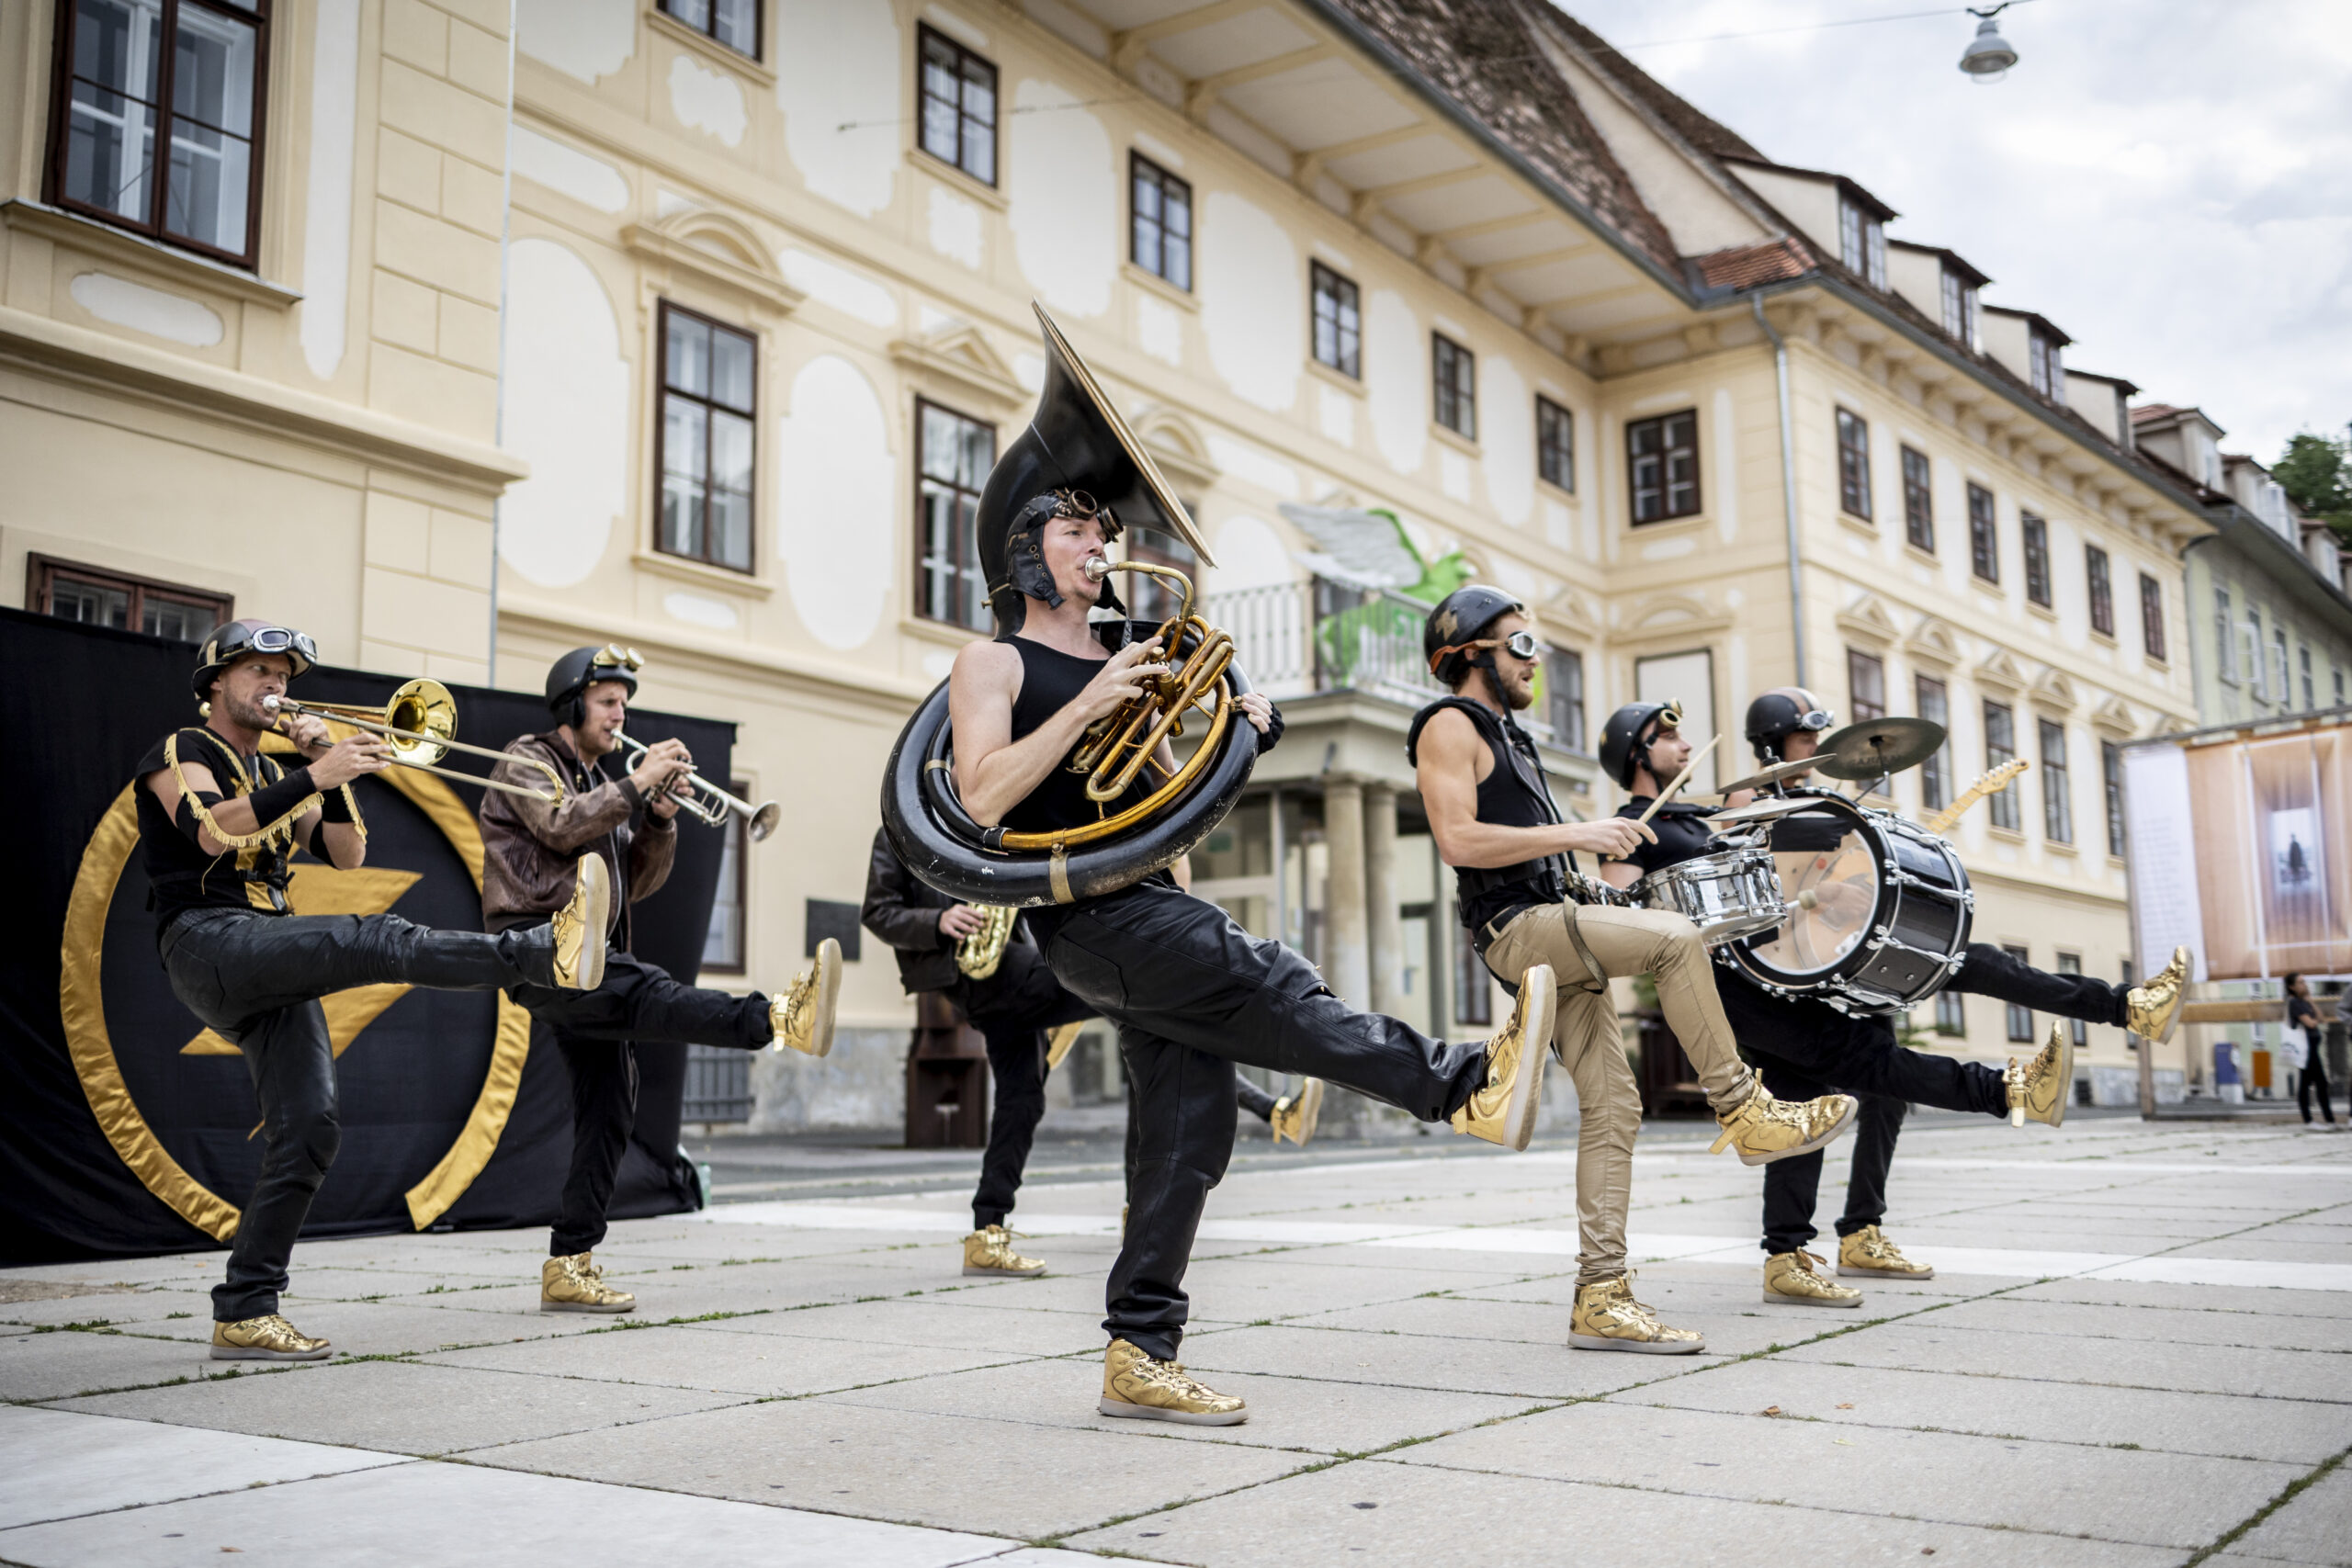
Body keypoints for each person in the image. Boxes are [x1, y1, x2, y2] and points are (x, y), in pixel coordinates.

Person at [949, 489, 1555, 1429]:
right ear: (1028, 552)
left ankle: (1138, 1354)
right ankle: (1460, 1086)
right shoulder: (994, 661)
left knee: (1185, 1137)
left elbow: (1165, 805)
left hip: (1155, 901)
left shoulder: (1123, 657)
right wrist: (1091, 704)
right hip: (1084, 918)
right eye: (1076, 531)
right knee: (1270, 974)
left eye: (1103, 532)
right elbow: (984, 795)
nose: (1099, 545)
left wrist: (1241, 741)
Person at [1600, 689, 2190, 1307]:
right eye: (1670, 736)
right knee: (1870, 1064)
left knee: (1810, 1099)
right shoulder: (1639, 827)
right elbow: (1620, 918)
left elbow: (1788, 881)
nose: (1686, 744)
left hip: (1794, 970)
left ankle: (1793, 1254)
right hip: (1731, 986)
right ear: (1638, 751)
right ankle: (2013, 1089)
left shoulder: (1699, 818)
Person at [141, 621, 608, 1362]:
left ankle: (246, 1309)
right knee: (377, 937)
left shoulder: (272, 771)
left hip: (263, 951)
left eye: (283, 676)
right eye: (259, 671)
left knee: (310, 1126)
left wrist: (325, 766)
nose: (276, 686)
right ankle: (546, 949)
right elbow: (211, 831)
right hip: (206, 938)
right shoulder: (184, 749)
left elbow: (347, 851)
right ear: (216, 681)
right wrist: (316, 775)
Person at [1410, 588, 1858, 1355]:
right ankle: (1744, 1109)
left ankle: (1602, 1295)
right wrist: (1580, 832)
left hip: (1553, 923)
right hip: (1515, 929)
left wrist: (1588, 876)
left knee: (1615, 1106)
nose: (1536, 660)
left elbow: (1536, 852)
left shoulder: (1513, 738)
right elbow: (1457, 840)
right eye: (1521, 645)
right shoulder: (1449, 723)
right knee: (1675, 939)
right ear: (1471, 654)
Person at [481, 645, 841, 1314]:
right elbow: (559, 827)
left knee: (610, 1109)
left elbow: (637, 883)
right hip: (541, 946)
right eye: (607, 702)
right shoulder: (528, 759)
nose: (620, 715)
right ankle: (778, 1016)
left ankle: (568, 1264)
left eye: (624, 704)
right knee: (651, 993)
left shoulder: (601, 780)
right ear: (572, 705)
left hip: (589, 952)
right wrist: (637, 785)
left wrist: (660, 817)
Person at [2288, 974, 2335, 1127]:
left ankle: (2314, 1119)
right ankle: (2322, 1119)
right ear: (2292, 987)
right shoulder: (2294, 1003)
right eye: (2300, 982)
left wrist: (2311, 1002)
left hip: (2312, 1047)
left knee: (2308, 1083)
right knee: (2318, 1083)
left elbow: (2321, 1018)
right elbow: (2311, 1023)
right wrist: (2314, 1020)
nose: (2304, 985)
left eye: (2304, 982)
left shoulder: (2304, 1002)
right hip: (2305, 1048)